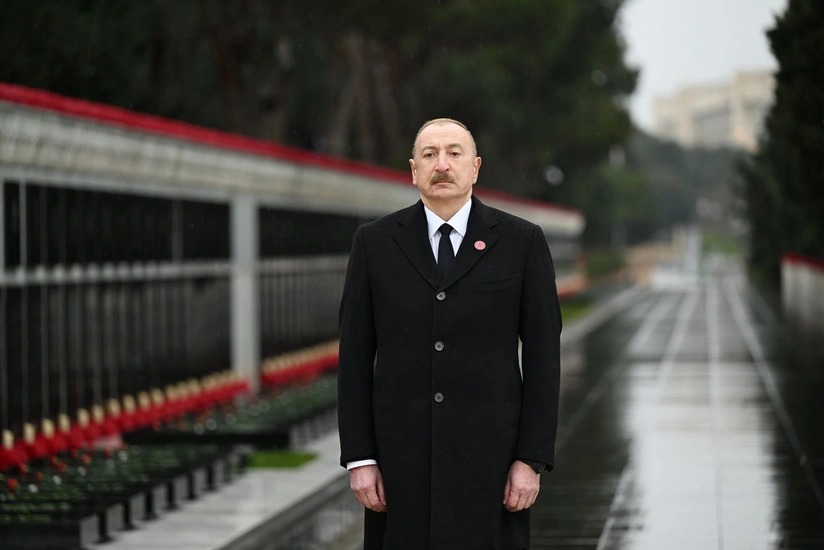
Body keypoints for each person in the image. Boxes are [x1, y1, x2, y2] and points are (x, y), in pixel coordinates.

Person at [337, 118, 561, 549]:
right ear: (413, 170)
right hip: (400, 464)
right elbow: (354, 358)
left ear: (475, 167)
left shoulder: (521, 242)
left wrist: (530, 459)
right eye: (429, 154)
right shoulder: (374, 243)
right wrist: (360, 458)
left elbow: (544, 359)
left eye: (454, 153)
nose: (442, 164)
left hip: (492, 463)